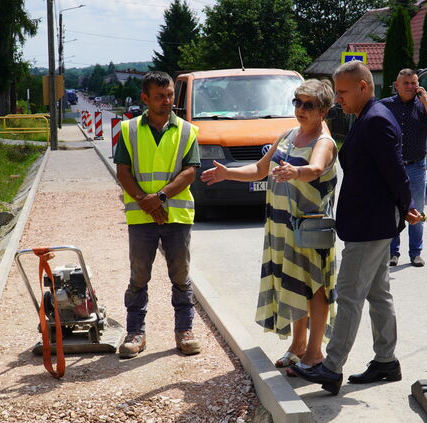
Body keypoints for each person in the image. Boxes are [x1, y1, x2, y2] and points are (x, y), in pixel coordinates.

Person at [292, 61, 420, 395]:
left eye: (344, 92)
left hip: (371, 225)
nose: (338, 100)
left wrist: (406, 207)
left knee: (348, 296)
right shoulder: (368, 117)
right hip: (372, 222)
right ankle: (386, 361)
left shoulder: (376, 120)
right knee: (379, 294)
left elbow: (396, 171)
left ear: (364, 87)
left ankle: (331, 368)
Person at [201, 79, 338, 373]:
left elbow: (315, 169)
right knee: (292, 283)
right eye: (297, 102)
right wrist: (229, 173)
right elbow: (260, 170)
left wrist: (295, 171)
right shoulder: (288, 135)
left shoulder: (323, 142)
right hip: (282, 227)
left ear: (324, 111)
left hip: (308, 228)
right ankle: (298, 345)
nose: (300, 109)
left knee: (314, 286)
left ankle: (314, 353)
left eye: (308, 105)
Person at [113, 71, 202, 358]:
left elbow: (190, 172)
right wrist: (145, 201)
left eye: (170, 96)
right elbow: (122, 172)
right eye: (160, 96)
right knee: (139, 276)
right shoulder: (129, 130)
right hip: (141, 217)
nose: (167, 101)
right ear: (145, 99)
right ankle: (135, 333)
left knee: (181, 276)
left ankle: (184, 331)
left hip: (176, 216)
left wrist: (160, 198)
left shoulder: (187, 131)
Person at [380, 68, 427, 268]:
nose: (410, 86)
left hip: (417, 166)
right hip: (392, 167)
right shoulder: (385, 106)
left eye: (414, 83)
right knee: (393, 211)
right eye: (406, 83)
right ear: (397, 85)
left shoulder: (424, 106)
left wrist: (426, 101)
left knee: (416, 210)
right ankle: (393, 252)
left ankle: (416, 253)